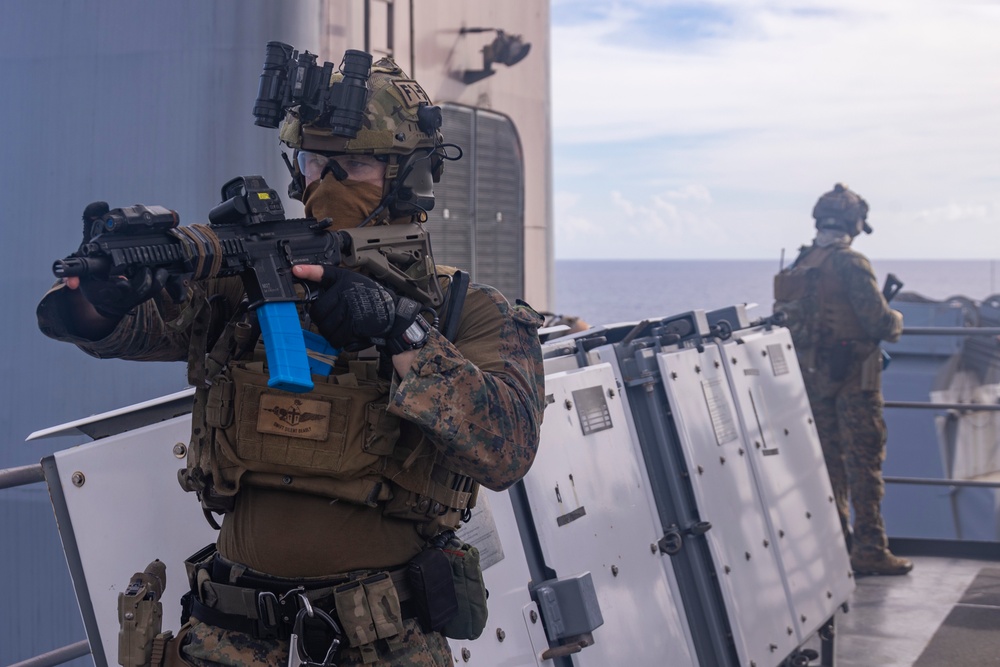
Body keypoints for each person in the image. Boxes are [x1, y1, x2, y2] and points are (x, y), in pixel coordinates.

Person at [37, 51, 546, 665]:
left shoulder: (467, 310)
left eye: (353, 164)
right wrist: (102, 297)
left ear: (408, 177)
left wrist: (398, 328)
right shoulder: (248, 288)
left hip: (379, 642)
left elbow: (508, 447)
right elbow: (117, 332)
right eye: (313, 161)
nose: (324, 182)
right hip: (227, 634)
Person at [773, 183, 911, 577]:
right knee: (863, 465)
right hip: (854, 382)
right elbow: (881, 323)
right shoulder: (850, 263)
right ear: (853, 223)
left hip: (812, 382)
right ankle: (869, 549)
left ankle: (833, 548)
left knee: (827, 467)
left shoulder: (801, 263)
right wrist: (897, 319)